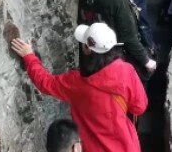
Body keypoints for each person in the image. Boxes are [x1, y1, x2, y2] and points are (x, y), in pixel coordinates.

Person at [11, 23, 147, 152]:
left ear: (87, 49)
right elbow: (139, 107)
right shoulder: (127, 71)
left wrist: (29, 56)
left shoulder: (77, 82)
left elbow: (46, 83)